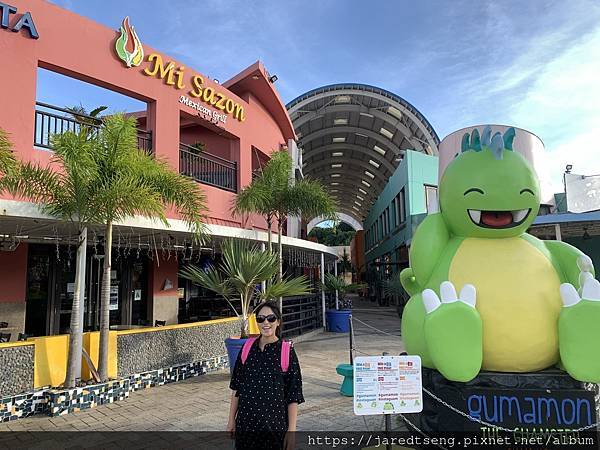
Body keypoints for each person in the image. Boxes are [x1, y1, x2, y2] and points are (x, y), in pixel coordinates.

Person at [227, 300, 304, 450]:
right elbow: (236, 388)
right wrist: (231, 420)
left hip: (274, 430)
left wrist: (292, 431)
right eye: (261, 319)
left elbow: (293, 395)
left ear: (278, 321)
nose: (266, 323)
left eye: (271, 318)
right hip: (246, 427)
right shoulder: (247, 348)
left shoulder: (286, 351)